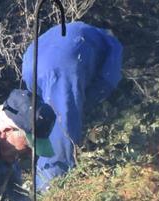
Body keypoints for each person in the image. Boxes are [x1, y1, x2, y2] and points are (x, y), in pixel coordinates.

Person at [22, 21, 122, 192]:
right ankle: (51, 187)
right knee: (64, 125)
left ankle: (32, 171)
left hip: (30, 62)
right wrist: (85, 106)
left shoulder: (84, 32)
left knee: (45, 120)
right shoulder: (113, 44)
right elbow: (108, 80)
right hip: (63, 62)